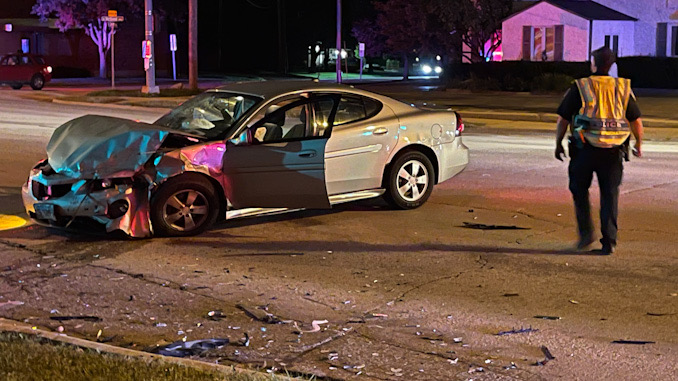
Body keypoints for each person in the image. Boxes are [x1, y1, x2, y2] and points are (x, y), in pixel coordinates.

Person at [554, 47, 644, 255]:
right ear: (611, 65)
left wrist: (558, 143)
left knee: (579, 190)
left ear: (593, 64)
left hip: (584, 149)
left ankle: (586, 234)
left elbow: (563, 119)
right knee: (610, 195)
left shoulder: (582, 86)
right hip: (614, 151)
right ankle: (609, 242)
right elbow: (635, 120)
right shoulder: (621, 88)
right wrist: (639, 143)